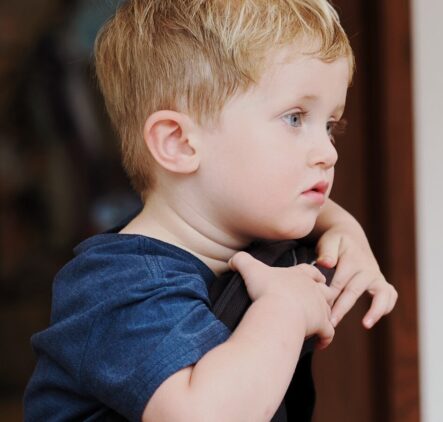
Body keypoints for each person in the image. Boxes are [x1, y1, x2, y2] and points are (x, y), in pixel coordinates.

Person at [23, 0, 397, 420]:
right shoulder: (117, 284)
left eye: (330, 125)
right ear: (179, 143)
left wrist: (346, 230)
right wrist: (284, 311)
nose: (328, 152)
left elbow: (318, 206)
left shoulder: (261, 241)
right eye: (294, 118)